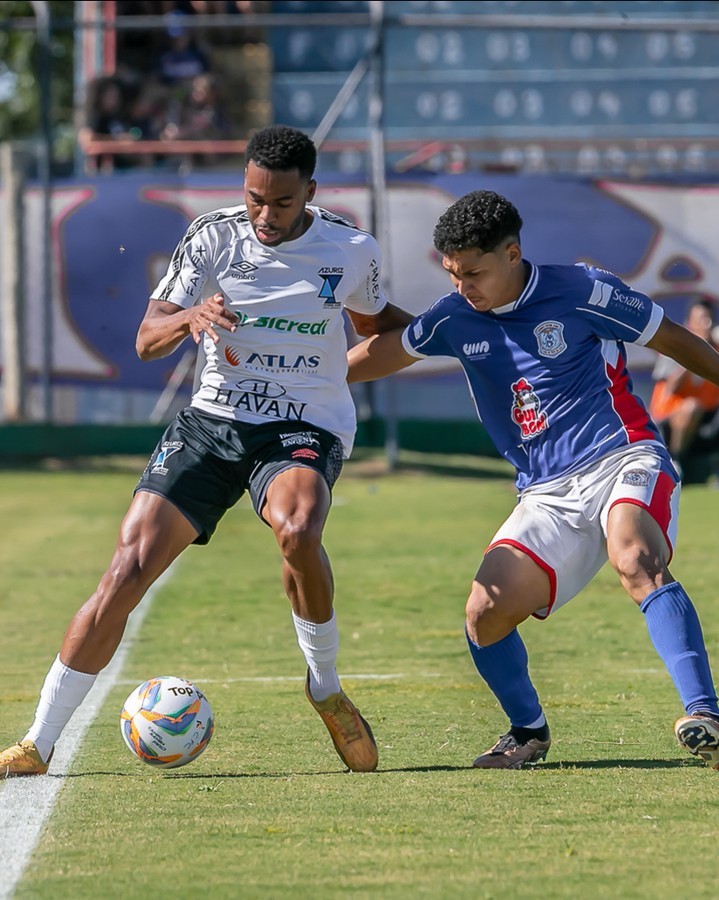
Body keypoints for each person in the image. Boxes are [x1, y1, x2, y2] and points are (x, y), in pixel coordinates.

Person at [0, 124, 412, 778]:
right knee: (125, 570)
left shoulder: (349, 249)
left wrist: (340, 374)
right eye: (253, 198)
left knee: (298, 528)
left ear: (309, 191)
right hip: (211, 423)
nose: (264, 216)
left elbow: (383, 328)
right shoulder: (213, 236)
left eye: (279, 203)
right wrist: (188, 319)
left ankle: (325, 686)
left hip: (302, 425)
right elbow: (145, 339)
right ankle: (37, 743)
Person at [347, 189, 719, 771]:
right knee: (484, 612)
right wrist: (307, 385)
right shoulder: (453, 316)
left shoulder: (582, 291)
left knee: (635, 557)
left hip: (621, 454)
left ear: (513, 253)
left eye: (473, 272)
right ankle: (528, 731)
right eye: (451, 274)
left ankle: (707, 716)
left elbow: (672, 338)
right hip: (545, 492)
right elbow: (385, 353)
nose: (461, 286)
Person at [648, 299, 719, 479]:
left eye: (709, 319)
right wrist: (693, 356)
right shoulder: (678, 346)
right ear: (689, 323)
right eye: (701, 319)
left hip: (707, 414)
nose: (706, 324)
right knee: (692, 406)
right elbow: (670, 388)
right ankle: (676, 460)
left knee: (697, 407)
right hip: (670, 414)